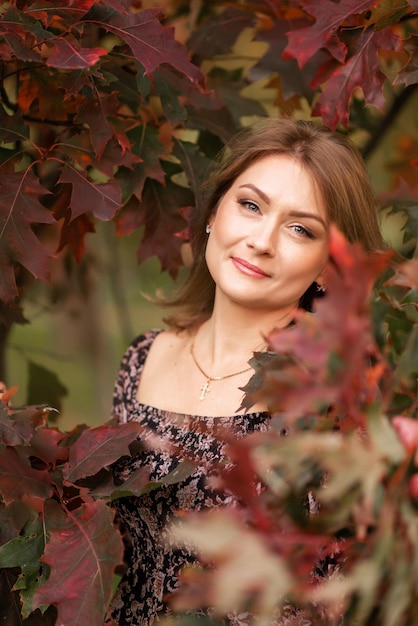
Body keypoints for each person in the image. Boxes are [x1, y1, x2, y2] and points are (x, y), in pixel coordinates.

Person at [107, 118, 385, 625]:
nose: (262, 240)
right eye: (251, 206)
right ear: (214, 213)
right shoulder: (141, 360)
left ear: (328, 264)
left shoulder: (338, 397)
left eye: (300, 229)